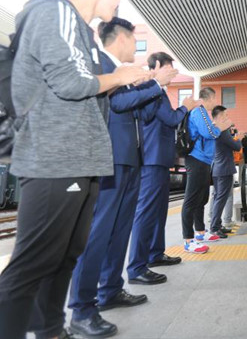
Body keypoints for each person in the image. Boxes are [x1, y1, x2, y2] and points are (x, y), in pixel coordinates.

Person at [0, 0, 151, 339]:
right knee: (29, 265)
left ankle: (50, 331)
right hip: (53, 160)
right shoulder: (54, 12)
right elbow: (72, 82)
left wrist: (114, 79)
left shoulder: (81, 29)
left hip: (79, 160)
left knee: (63, 258)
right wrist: (120, 76)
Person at [68, 18, 177, 337]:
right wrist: (154, 83)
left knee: (119, 229)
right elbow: (115, 103)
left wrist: (155, 86)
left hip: (131, 159)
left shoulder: (125, 74)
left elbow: (141, 113)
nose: (137, 47)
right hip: (110, 158)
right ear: (122, 38)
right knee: (99, 231)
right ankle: (81, 308)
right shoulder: (101, 64)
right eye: (134, 40)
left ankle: (110, 289)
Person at [127, 52, 198, 283]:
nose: (172, 73)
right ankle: (137, 266)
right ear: (156, 66)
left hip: (159, 158)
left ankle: (155, 253)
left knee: (158, 210)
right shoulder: (150, 89)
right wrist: (185, 107)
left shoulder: (158, 91)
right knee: (147, 210)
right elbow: (170, 119)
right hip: (151, 158)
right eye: (169, 68)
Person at [181, 87, 232, 254]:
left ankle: (200, 233)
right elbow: (209, 132)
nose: (215, 102)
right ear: (209, 98)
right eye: (214, 99)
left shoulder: (202, 113)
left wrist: (217, 126)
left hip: (203, 160)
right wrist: (221, 127)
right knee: (191, 200)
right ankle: (188, 240)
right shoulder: (199, 111)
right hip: (196, 159)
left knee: (201, 199)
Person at [209, 106, 241, 238]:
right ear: (220, 116)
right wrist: (238, 138)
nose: (227, 118)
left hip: (217, 168)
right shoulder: (221, 131)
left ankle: (218, 224)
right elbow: (236, 146)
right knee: (220, 199)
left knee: (218, 198)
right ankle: (215, 228)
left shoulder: (213, 129)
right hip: (224, 169)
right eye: (226, 115)